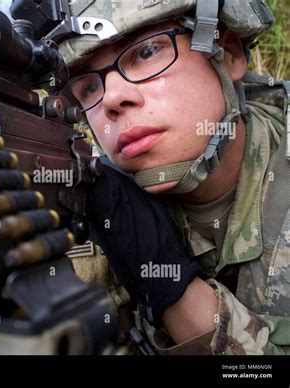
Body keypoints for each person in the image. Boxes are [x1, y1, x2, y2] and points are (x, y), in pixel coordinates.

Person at [59, 0, 290, 354]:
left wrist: (174, 292)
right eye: (88, 87)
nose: (112, 99)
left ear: (228, 53)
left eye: (147, 51)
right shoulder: (91, 205)